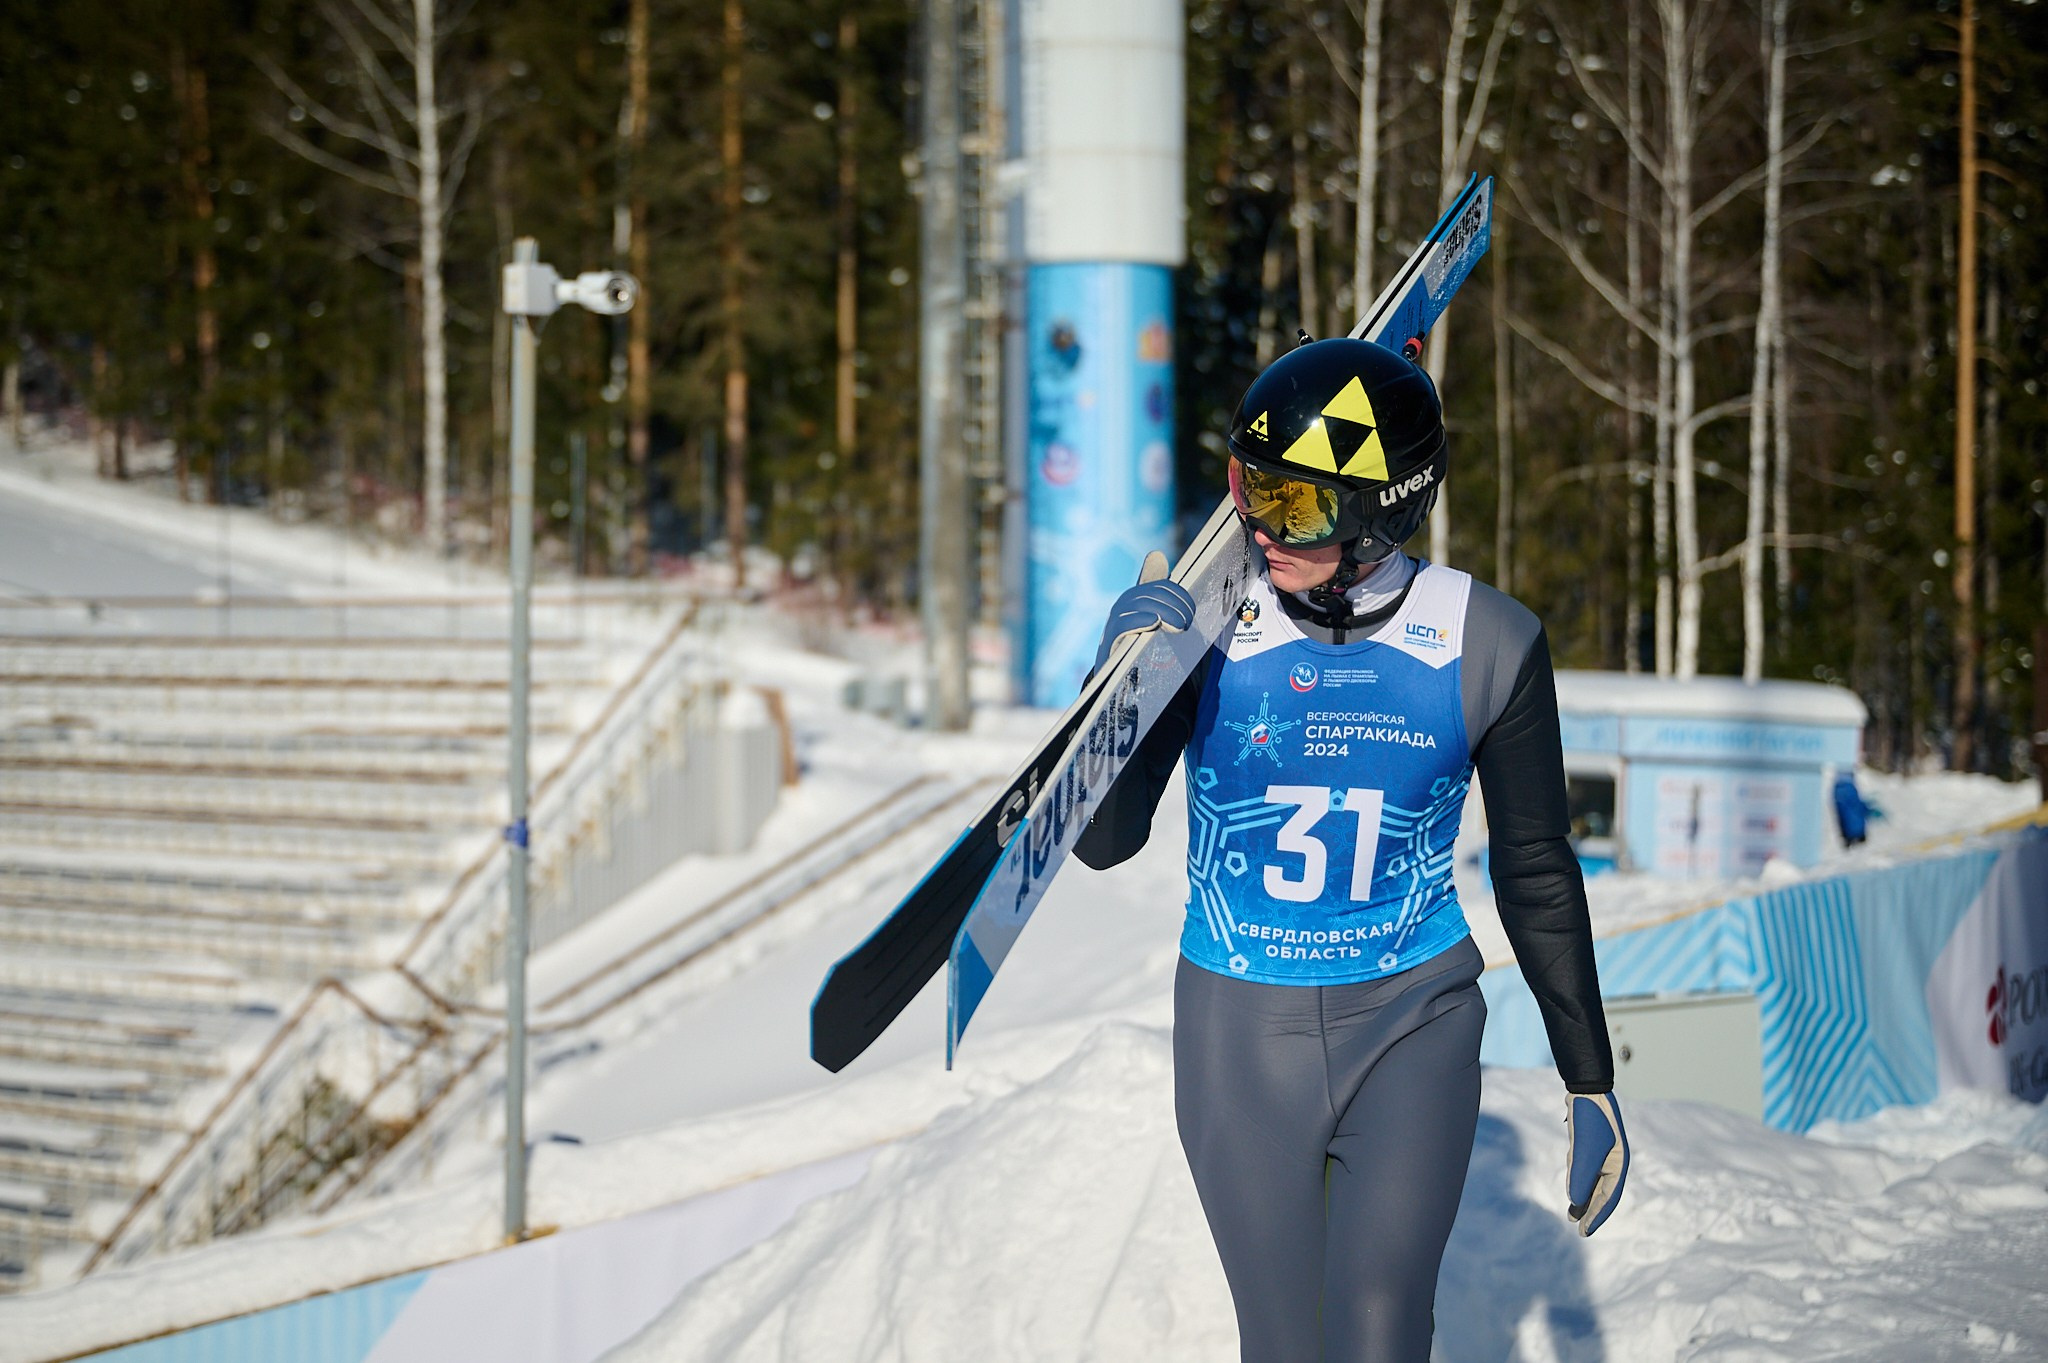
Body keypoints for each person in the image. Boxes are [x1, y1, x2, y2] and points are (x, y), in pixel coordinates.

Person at [1075, 337, 1627, 1363]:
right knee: (1284, 1347)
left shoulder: (1488, 638)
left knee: (1379, 1339)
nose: (1254, 525)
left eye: (1292, 506)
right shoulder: (1210, 626)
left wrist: (1586, 1076)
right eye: (1246, 488)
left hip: (1411, 1019)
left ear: (1377, 515)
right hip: (1240, 1032)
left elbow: (1535, 867)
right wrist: (1118, 687)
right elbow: (1105, 845)